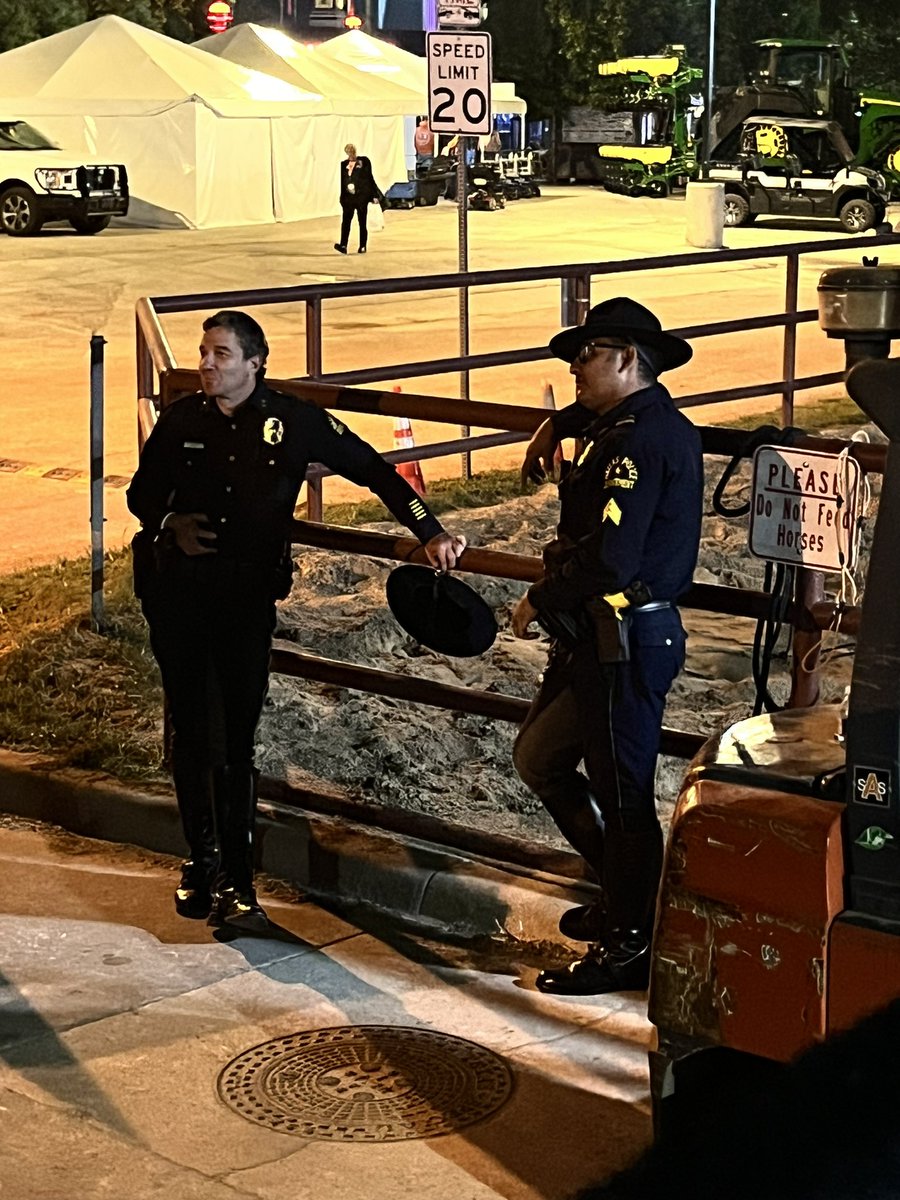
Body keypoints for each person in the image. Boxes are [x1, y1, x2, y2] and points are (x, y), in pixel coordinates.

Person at [127, 310, 466, 932]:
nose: (206, 364)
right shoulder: (180, 421)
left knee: (234, 736)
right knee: (193, 734)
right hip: (178, 596)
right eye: (205, 352)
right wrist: (168, 524)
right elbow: (140, 494)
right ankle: (200, 863)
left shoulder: (294, 421)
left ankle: (237, 882)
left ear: (256, 362)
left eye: (221, 354)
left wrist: (429, 530)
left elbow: (376, 470)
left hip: (244, 601)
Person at [511, 297, 702, 996]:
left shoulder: (641, 441)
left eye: (585, 355)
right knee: (540, 758)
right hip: (599, 637)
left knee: (623, 795)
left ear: (626, 358)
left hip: (625, 636)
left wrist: (541, 595)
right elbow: (592, 421)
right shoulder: (627, 423)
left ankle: (630, 942)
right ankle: (630, 901)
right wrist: (556, 423)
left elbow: (613, 562)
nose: (572, 368)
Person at [335, 143, 383, 255]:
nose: (351, 154)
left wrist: (374, 195)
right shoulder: (343, 165)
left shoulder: (363, 162)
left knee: (362, 222)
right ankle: (343, 245)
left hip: (361, 198)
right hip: (348, 199)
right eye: (348, 152)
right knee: (346, 222)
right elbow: (342, 182)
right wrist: (342, 198)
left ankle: (362, 245)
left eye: (352, 151)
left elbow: (369, 179)